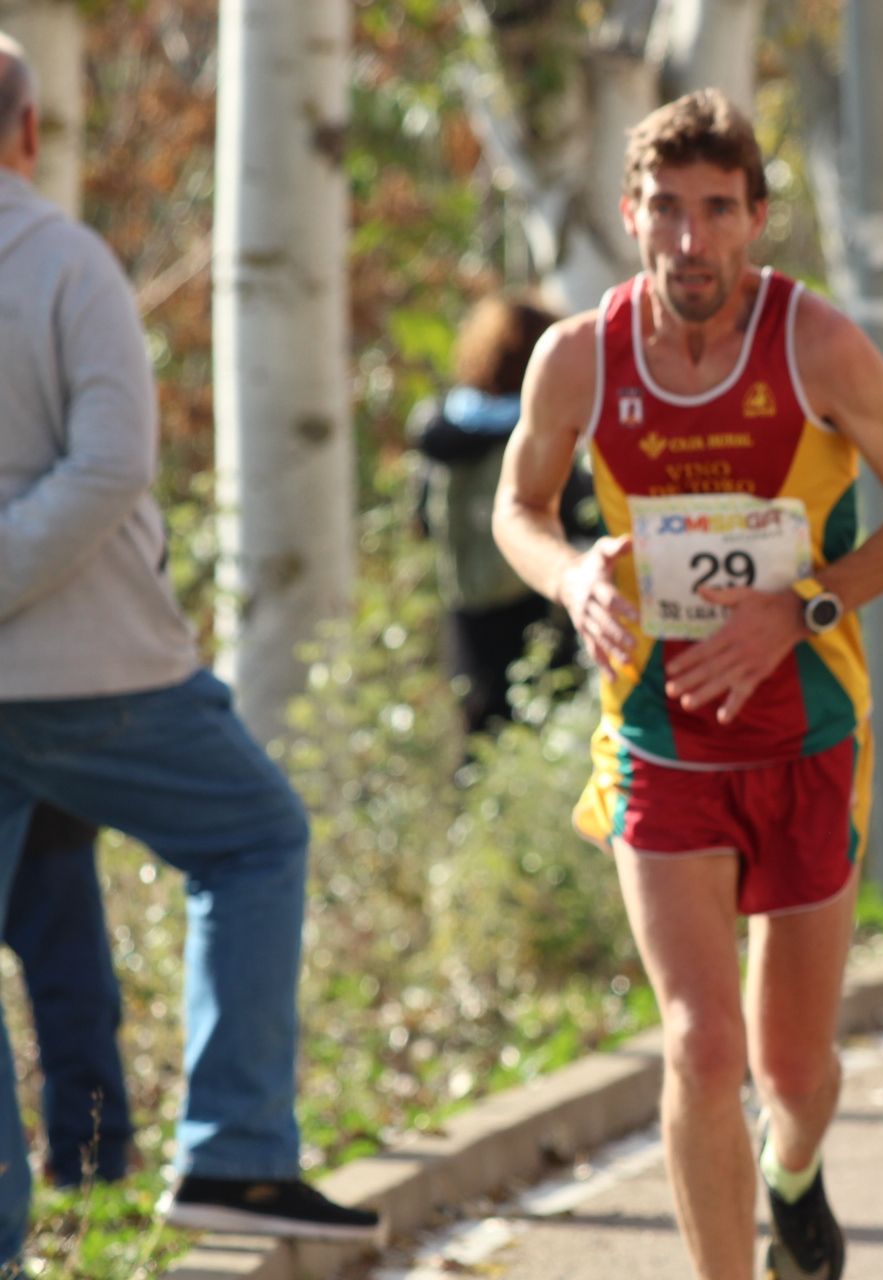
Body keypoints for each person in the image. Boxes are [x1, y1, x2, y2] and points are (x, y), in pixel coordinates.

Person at [493, 89, 883, 1280]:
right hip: (660, 739)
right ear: (632, 213)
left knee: (791, 1068)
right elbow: (518, 507)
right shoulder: (579, 357)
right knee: (699, 1043)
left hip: (809, 737)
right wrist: (571, 572)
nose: (691, 241)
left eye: (717, 212)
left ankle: (794, 1168)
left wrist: (805, 603)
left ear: (757, 220)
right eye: (668, 210)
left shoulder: (820, 345)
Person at [0, 33, 378, 1261]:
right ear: (26, 133)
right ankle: (234, 1152)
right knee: (253, 836)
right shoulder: (64, 261)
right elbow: (112, 462)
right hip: (96, 671)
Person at [409, 294, 593, 739]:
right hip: (536, 597)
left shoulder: (442, 426)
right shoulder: (543, 434)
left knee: (478, 730)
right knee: (544, 721)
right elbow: (581, 515)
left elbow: (423, 521)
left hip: (467, 603)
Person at [1, 803, 131, 1188]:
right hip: (51, 814)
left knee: (77, 997)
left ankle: (93, 1170)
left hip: (51, 824)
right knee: (76, 994)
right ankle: (92, 1168)